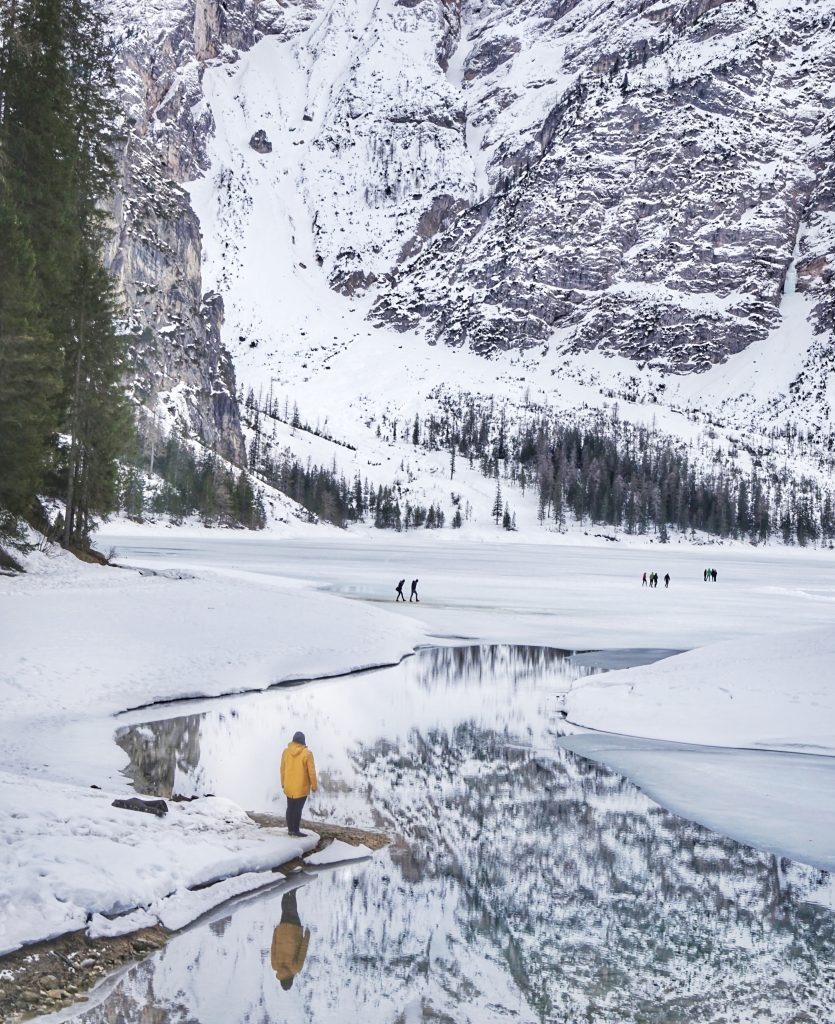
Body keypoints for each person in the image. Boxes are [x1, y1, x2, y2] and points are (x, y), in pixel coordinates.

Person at [271, 888, 310, 991]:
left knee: (292, 911)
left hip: (294, 931)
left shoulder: (295, 968)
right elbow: (273, 947)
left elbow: (303, 950)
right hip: (282, 930)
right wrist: (275, 932)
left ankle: (292, 890)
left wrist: (307, 936)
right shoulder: (275, 966)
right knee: (285, 910)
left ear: (290, 980)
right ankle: (286, 889)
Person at [281, 731, 317, 838]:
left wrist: (283, 782)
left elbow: (282, 769)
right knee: (297, 809)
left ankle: (290, 830)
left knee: (290, 808)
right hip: (301, 787)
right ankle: (296, 830)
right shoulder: (307, 753)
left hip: (288, 786)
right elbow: (311, 772)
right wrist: (314, 785)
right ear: (303, 741)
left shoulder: (286, 752)